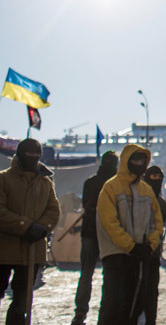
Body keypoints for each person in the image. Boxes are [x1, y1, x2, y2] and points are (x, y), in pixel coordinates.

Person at [96, 144, 164, 325]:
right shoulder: (111, 188)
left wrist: (151, 244)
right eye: (135, 160)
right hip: (116, 254)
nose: (139, 164)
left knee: (134, 303)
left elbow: (156, 223)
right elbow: (109, 222)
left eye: (142, 160)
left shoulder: (146, 190)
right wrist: (130, 245)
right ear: (127, 161)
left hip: (140, 254)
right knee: (113, 303)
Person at [0, 138, 60, 325]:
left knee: (22, 301)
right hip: (4, 250)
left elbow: (53, 210)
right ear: (19, 155)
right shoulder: (3, 178)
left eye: (36, 154)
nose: (33, 158)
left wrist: (41, 227)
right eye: (29, 154)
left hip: (32, 251)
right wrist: (25, 226)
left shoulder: (45, 181)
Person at [71, 151, 118, 325]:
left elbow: (88, 205)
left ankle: (83, 313)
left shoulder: (92, 182)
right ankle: (87, 312)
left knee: (90, 275)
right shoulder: (115, 185)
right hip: (98, 233)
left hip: (101, 233)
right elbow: (89, 206)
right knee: (100, 275)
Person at [141, 165, 166, 325]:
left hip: (154, 253)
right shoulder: (139, 197)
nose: (157, 180)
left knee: (152, 291)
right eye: (153, 177)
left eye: (159, 177)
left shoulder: (162, 203)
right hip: (137, 252)